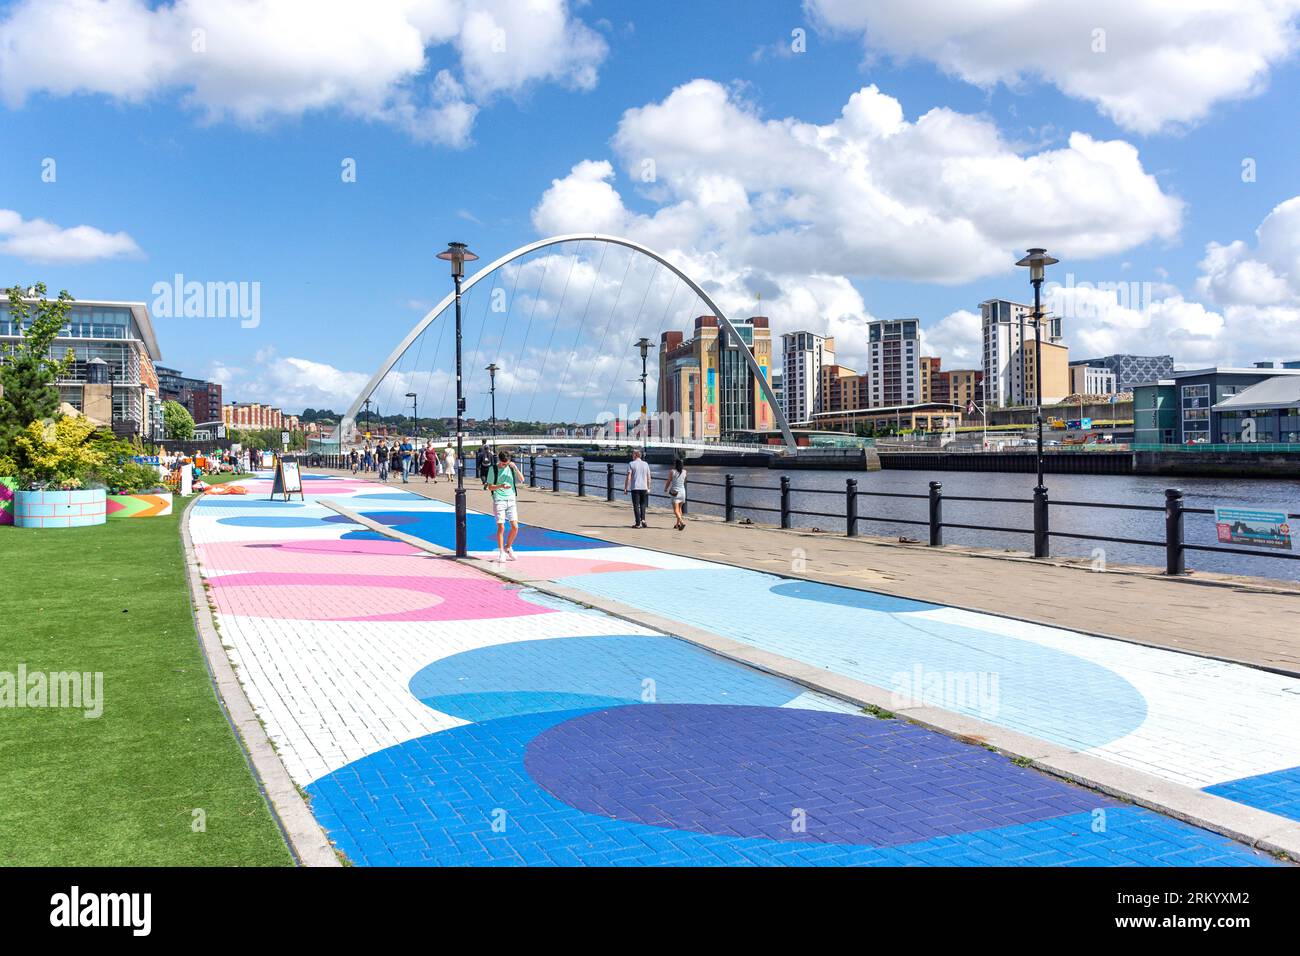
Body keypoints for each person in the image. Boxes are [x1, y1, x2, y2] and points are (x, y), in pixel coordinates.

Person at [485, 449, 524, 561]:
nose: (504, 465)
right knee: (501, 527)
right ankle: (501, 551)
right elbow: (490, 487)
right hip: (499, 500)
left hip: (511, 499)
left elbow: (522, 480)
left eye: (506, 463)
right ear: (499, 460)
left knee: (515, 527)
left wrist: (515, 468)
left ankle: (508, 547)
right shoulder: (493, 469)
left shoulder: (511, 468)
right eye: (502, 463)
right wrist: (501, 485)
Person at [624, 448, 652, 528]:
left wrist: (626, 488)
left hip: (635, 488)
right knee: (643, 504)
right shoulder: (645, 464)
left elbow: (629, 477)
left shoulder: (631, 464)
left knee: (636, 505)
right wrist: (649, 487)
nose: (632, 455)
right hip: (644, 487)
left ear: (635, 455)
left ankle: (638, 523)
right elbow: (649, 477)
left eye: (633, 454)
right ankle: (643, 519)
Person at [664, 457, 688, 531]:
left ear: (676, 464)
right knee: (680, 508)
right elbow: (684, 481)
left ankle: (682, 522)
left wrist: (666, 488)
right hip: (683, 492)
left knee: (675, 510)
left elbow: (669, 481)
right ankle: (677, 524)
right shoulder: (685, 472)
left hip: (675, 492)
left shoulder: (672, 471)